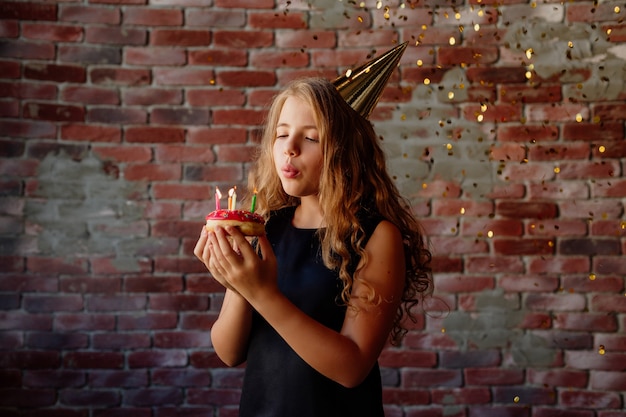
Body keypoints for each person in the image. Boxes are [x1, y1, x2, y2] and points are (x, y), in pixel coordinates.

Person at [194, 76, 432, 416]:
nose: (289, 147)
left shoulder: (376, 236)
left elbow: (352, 369)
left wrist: (260, 292)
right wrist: (237, 284)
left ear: (344, 151)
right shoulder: (266, 226)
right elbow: (229, 353)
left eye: (310, 137)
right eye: (281, 134)